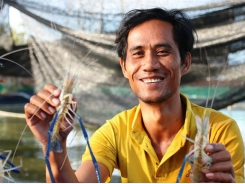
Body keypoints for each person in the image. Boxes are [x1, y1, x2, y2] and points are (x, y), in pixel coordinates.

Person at [24, 8, 244, 182]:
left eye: (163, 51)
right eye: (138, 54)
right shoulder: (113, 132)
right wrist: (53, 142)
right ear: (124, 67)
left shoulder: (220, 131)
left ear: (185, 62)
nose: (149, 64)